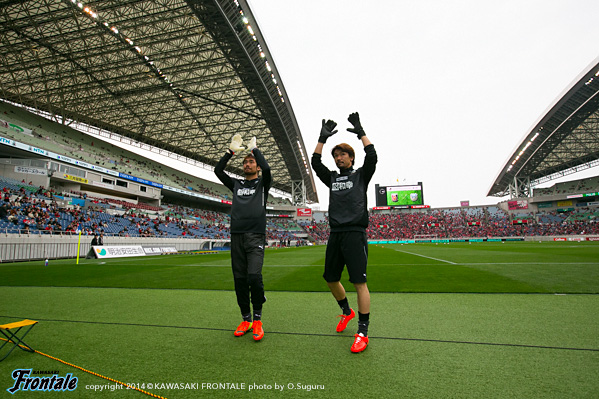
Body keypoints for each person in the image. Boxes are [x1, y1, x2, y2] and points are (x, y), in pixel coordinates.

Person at [311, 112, 377, 353]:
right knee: (330, 278)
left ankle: (363, 332)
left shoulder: (361, 176)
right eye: (336, 155)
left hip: (355, 233)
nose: (339, 158)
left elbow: (372, 156)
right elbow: (315, 163)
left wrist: (360, 132)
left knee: (360, 282)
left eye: (343, 155)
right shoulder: (332, 179)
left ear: (351, 158)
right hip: (336, 233)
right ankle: (346, 312)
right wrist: (322, 139)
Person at [215, 134, 271, 341]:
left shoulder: (263, 185)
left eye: (251, 161)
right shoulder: (236, 185)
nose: (247, 164)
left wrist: (255, 150)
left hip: (255, 235)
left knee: (254, 277)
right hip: (236, 235)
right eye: (245, 162)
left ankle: (257, 320)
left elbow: (267, 170)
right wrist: (230, 152)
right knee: (239, 280)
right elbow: (218, 171)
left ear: (257, 167)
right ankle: (245, 319)